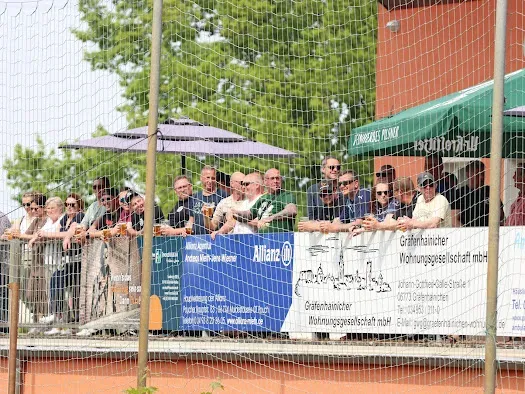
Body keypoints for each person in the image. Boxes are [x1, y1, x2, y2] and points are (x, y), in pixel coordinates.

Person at [18, 194, 49, 333]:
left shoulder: (48, 221)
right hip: (35, 262)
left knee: (42, 294)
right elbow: (26, 234)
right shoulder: (36, 221)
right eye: (32, 208)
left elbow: (37, 236)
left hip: (45, 262)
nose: (33, 211)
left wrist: (24, 236)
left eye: (36, 208)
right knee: (31, 294)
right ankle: (38, 322)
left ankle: (44, 324)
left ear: (43, 208)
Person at [234, 168, 297, 232]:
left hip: (281, 238)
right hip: (262, 239)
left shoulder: (286, 195)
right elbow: (249, 215)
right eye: (272, 178)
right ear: (265, 181)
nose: (275, 181)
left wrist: (270, 218)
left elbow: (292, 210)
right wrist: (234, 213)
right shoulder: (263, 198)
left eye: (277, 178)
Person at [211, 172, 267, 239]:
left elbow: (261, 223)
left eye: (246, 184)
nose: (243, 187)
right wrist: (220, 231)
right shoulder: (245, 203)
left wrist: (239, 217)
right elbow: (232, 222)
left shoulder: (264, 201)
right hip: (238, 243)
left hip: (253, 242)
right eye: (242, 184)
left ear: (257, 185)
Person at [64, 177, 110, 249]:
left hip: (106, 247)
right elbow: (83, 225)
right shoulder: (92, 206)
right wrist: (67, 237)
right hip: (92, 249)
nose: (97, 189)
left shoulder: (109, 205)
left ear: (107, 187)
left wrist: (86, 234)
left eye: (100, 186)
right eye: (95, 187)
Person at [455, 160, 504, 227]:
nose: (481, 177)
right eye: (478, 174)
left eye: (483, 174)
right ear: (468, 174)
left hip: (488, 233)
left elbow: (500, 216)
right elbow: (454, 220)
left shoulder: (490, 191)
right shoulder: (459, 193)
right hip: (467, 234)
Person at [191, 166, 228, 235]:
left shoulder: (223, 195)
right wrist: (186, 231)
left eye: (213, 178)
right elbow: (191, 221)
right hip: (196, 239)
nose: (210, 181)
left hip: (216, 238)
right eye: (208, 177)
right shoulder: (195, 196)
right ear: (201, 178)